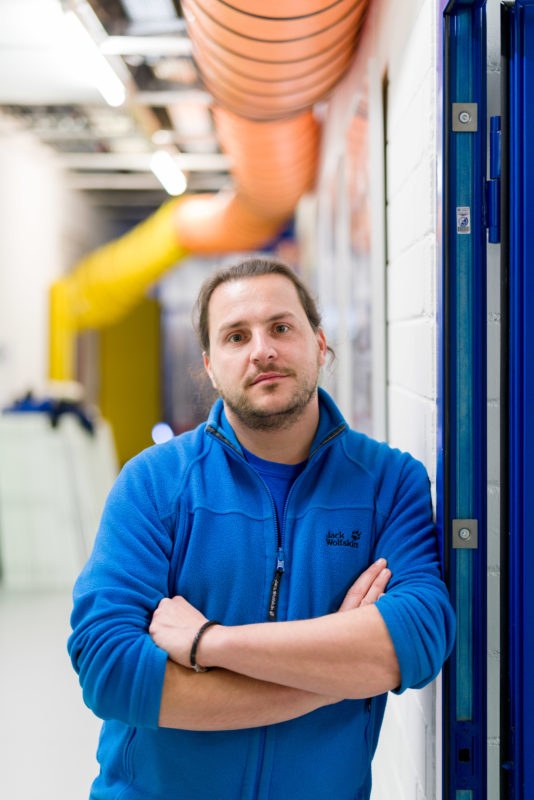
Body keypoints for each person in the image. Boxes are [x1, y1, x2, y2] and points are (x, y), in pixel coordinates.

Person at [68, 257, 455, 800]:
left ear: (320, 343)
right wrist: (334, 671)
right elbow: (108, 668)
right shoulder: (155, 483)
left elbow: (416, 639)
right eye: (235, 336)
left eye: (280, 327)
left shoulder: (388, 485)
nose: (261, 350)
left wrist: (210, 643)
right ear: (209, 364)